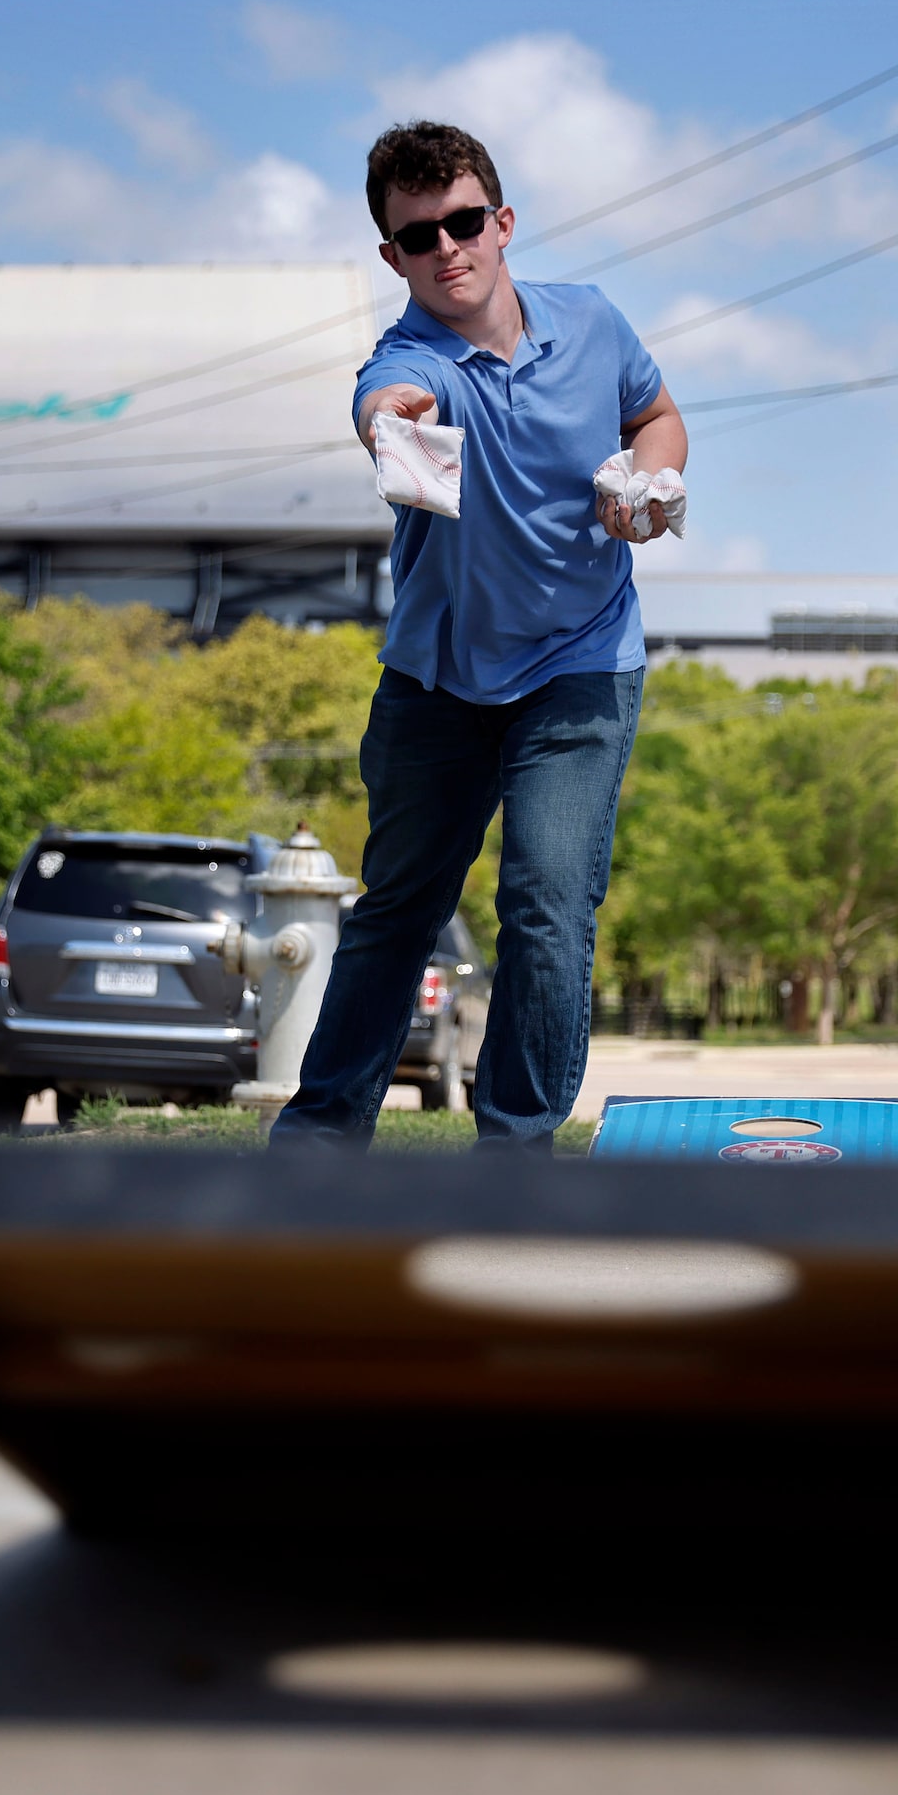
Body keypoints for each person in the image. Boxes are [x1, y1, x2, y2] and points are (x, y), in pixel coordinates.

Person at [271, 121, 687, 1153]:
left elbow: (658, 414)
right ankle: (317, 1144)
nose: (446, 249)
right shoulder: (413, 361)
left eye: (464, 223)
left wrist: (649, 478)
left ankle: (514, 1156)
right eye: (419, 237)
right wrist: (389, 421)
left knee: (547, 907)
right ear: (392, 257)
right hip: (438, 681)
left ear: (502, 224)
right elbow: (387, 402)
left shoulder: (590, 323)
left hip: (583, 663)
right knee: (400, 910)